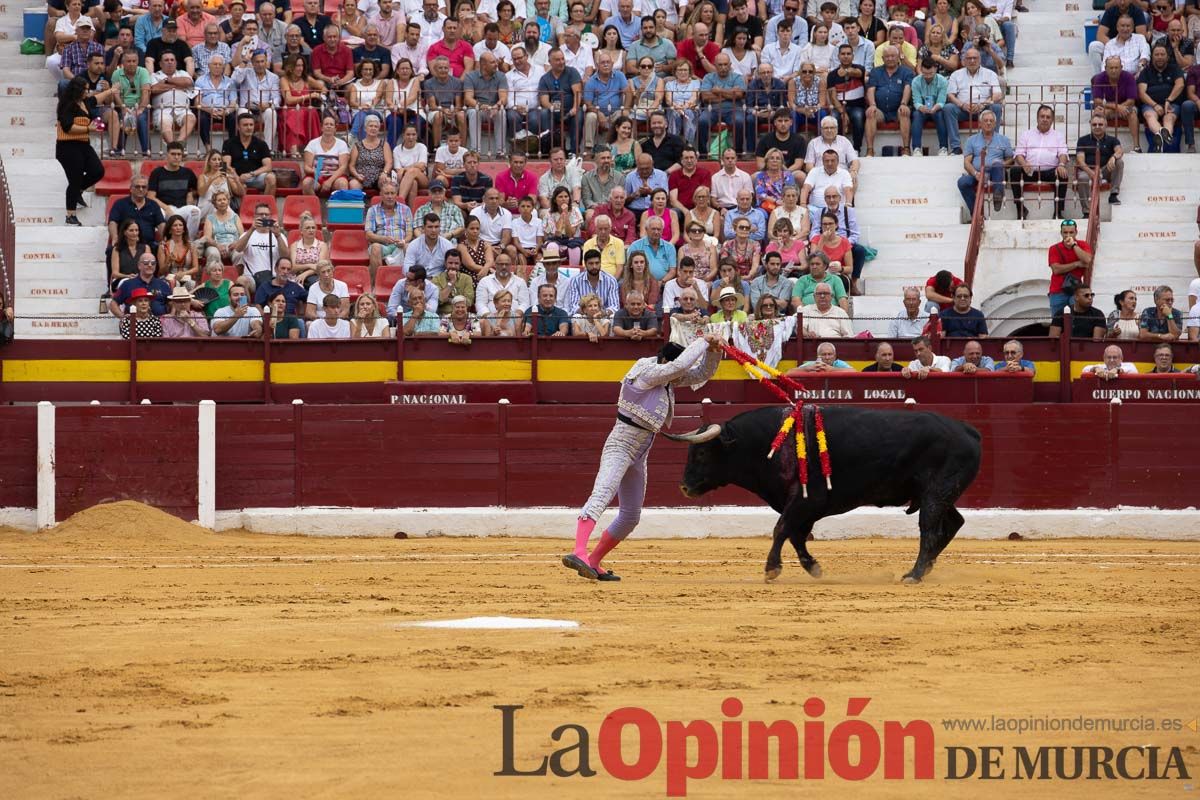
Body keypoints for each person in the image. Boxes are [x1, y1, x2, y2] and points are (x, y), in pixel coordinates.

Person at [563, 334, 723, 581]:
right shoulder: (646, 372)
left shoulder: (667, 379)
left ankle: (593, 562)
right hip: (621, 444)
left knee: (630, 515)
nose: (677, 375)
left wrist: (714, 350)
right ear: (663, 360)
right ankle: (579, 552)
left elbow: (700, 374)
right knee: (602, 494)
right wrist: (703, 340)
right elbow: (679, 367)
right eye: (673, 367)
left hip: (641, 450)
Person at [55, 76, 105, 227]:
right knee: (75, 179)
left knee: (98, 171)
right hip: (68, 146)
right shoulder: (66, 105)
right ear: (77, 90)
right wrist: (88, 128)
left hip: (83, 144)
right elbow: (68, 128)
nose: (87, 92)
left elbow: (97, 98)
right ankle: (70, 215)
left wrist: (112, 90)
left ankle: (78, 190)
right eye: (85, 89)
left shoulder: (85, 102)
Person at [1009, 104, 1069, 220]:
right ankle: (1020, 209)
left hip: (1050, 171)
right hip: (1030, 171)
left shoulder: (1058, 136)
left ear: (1052, 120)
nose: (1045, 119)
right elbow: (1019, 154)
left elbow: (1063, 153)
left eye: (1048, 117)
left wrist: (1061, 165)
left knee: (1063, 175)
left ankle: (1058, 212)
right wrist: (1024, 163)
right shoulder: (1026, 134)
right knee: (1014, 171)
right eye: (1042, 116)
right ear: (1037, 118)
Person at [943, 48, 1002, 154]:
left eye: (975, 58)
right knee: (948, 108)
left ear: (980, 60)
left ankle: (992, 143)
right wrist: (962, 105)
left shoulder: (990, 74)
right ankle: (956, 147)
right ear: (964, 61)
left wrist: (983, 104)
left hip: (983, 110)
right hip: (963, 110)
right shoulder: (956, 75)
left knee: (996, 107)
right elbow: (950, 95)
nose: (972, 61)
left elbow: (997, 94)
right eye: (969, 58)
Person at [956, 108, 1013, 213]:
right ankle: (977, 213)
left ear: (995, 123)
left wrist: (1001, 164)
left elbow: (1010, 159)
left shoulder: (1003, 139)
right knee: (962, 182)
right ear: (980, 124)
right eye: (985, 120)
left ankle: (998, 195)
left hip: (996, 174)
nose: (988, 123)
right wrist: (975, 173)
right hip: (978, 173)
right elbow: (966, 162)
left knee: (997, 164)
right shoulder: (971, 140)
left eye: (991, 121)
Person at [863, 45, 914, 156]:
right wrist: (872, 105)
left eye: (893, 56)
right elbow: (871, 89)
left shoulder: (906, 72)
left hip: (898, 109)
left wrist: (904, 103)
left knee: (904, 112)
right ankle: (870, 150)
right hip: (880, 110)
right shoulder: (876, 72)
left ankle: (906, 149)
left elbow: (907, 88)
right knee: (871, 113)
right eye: (887, 56)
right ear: (882, 58)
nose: (890, 58)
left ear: (898, 57)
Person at [1137, 42, 1185, 152]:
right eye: (1156, 54)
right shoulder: (1146, 72)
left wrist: (1169, 100)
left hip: (1172, 103)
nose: (1159, 57)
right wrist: (1154, 105)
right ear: (1152, 56)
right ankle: (1162, 136)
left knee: (1169, 118)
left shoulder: (1174, 68)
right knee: (1149, 115)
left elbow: (1180, 84)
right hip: (1150, 104)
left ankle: (1161, 138)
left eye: (1162, 54)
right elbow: (1141, 92)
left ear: (1167, 57)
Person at [1074, 114, 1123, 213]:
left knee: (1119, 162)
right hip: (1088, 170)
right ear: (1090, 125)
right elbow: (1080, 160)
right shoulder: (1082, 140)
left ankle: (1113, 195)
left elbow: (1120, 151)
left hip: (1105, 170)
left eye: (1100, 124)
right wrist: (1091, 173)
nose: (1097, 127)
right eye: (1094, 124)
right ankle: (1087, 211)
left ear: (1105, 125)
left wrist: (1113, 157)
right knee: (1082, 178)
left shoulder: (1112, 140)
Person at [1046, 219, 1093, 317]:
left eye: (1071, 232)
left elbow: (1087, 259)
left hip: (1075, 290)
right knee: (1057, 321)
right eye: (1065, 232)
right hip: (1057, 290)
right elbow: (1056, 269)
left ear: (1076, 232)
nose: (1068, 235)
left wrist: (1074, 245)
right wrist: (1077, 264)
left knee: (1077, 320)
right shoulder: (1054, 248)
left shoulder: (1082, 245)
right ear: (1061, 233)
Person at [1092, 56, 1140, 145]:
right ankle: (1098, 145)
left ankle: (1136, 146)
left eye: (1116, 68)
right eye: (1111, 68)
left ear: (1121, 67)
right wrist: (1117, 107)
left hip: (1126, 107)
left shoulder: (1129, 77)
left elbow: (1131, 100)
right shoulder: (1099, 78)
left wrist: (1120, 108)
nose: (1114, 70)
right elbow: (1097, 100)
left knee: (1132, 114)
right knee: (1097, 114)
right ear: (1106, 68)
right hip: (1109, 108)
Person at [303, 114, 352, 196]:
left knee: (342, 184)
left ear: (335, 129)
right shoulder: (312, 143)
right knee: (306, 184)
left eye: (331, 124)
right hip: (316, 177)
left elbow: (343, 167)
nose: (328, 126)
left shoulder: (342, 144)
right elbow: (306, 167)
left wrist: (329, 181)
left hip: (335, 177)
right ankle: (315, 207)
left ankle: (336, 208)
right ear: (322, 128)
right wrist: (314, 172)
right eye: (326, 124)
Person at [563, 249, 621, 314]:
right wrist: (588, 313)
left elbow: (614, 306)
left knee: (613, 317)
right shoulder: (575, 281)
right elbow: (574, 306)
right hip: (584, 316)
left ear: (600, 263)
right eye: (591, 263)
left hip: (604, 316)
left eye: (597, 263)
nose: (594, 266)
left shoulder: (611, 280)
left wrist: (602, 313)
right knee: (577, 317)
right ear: (585, 264)